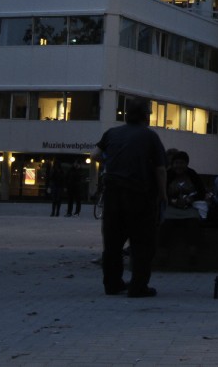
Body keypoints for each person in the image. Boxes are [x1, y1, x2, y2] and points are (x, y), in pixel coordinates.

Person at [92, 97, 167, 298]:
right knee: (142, 242)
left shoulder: (112, 133)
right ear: (145, 116)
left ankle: (112, 284)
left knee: (112, 243)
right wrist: (163, 194)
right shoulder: (150, 137)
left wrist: (111, 161)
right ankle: (138, 286)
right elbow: (160, 169)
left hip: (113, 193)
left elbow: (94, 155)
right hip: (139, 194)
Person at [159, 151, 210, 267]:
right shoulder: (168, 175)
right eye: (176, 163)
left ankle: (193, 255)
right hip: (171, 207)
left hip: (189, 208)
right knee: (165, 225)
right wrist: (172, 201)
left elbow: (201, 192)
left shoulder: (192, 174)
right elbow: (162, 192)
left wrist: (190, 199)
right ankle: (163, 255)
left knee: (193, 224)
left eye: (181, 163)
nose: (179, 166)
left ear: (186, 164)